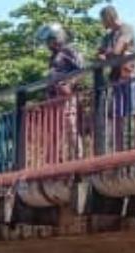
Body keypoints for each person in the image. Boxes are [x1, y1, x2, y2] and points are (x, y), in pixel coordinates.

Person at [36, 23, 85, 164]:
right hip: (54, 99)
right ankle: (52, 160)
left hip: (67, 97)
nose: (47, 44)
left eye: (49, 40)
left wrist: (69, 85)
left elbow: (81, 70)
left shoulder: (69, 51)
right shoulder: (53, 57)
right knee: (54, 129)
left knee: (71, 127)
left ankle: (78, 157)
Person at [97, 6, 135, 151]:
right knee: (118, 114)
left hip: (131, 74)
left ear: (108, 18)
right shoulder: (107, 36)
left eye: (102, 19)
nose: (102, 23)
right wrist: (111, 53)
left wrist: (110, 53)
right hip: (116, 77)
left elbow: (117, 49)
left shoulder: (126, 28)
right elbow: (99, 55)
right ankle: (119, 149)